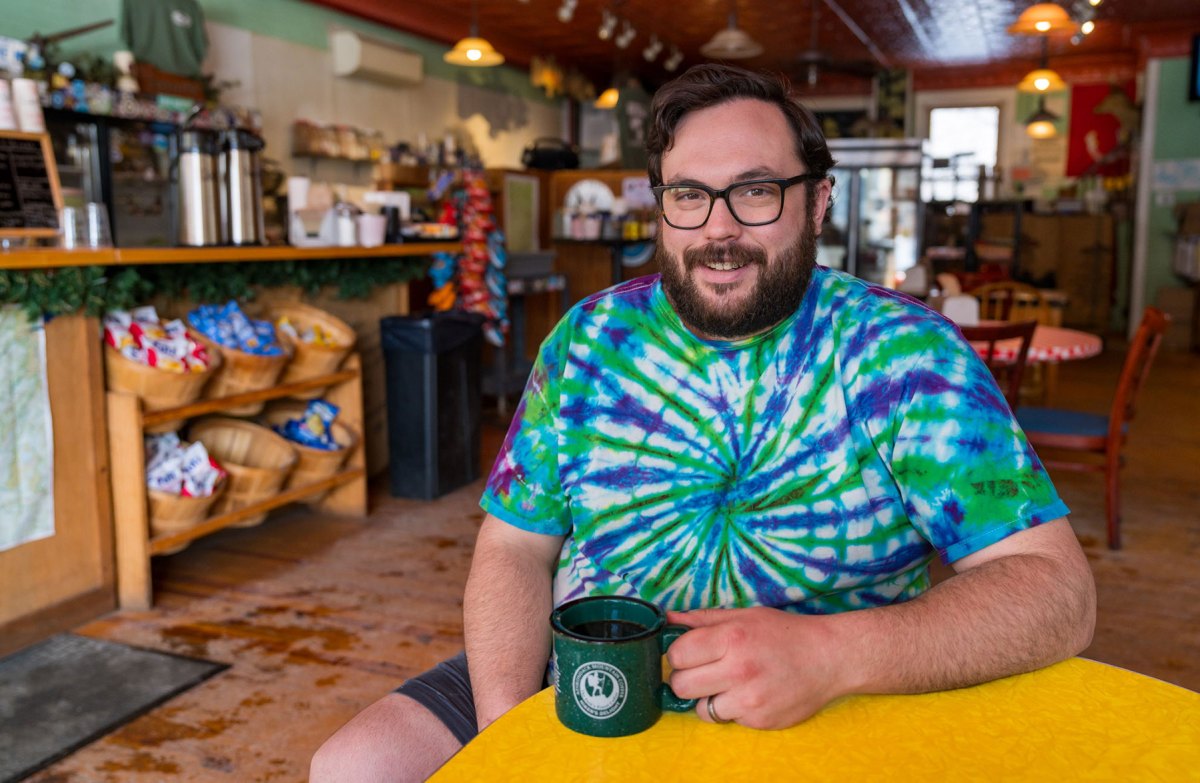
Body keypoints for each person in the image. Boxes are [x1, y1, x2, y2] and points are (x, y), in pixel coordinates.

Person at [311, 63, 1095, 782]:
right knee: (351, 766)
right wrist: (515, 737)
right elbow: (514, 548)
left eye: (756, 191)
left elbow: (1058, 593)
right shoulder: (589, 340)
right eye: (689, 194)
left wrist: (834, 654)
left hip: (827, 699)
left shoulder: (905, 354)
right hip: (581, 679)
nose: (717, 230)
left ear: (818, 200)